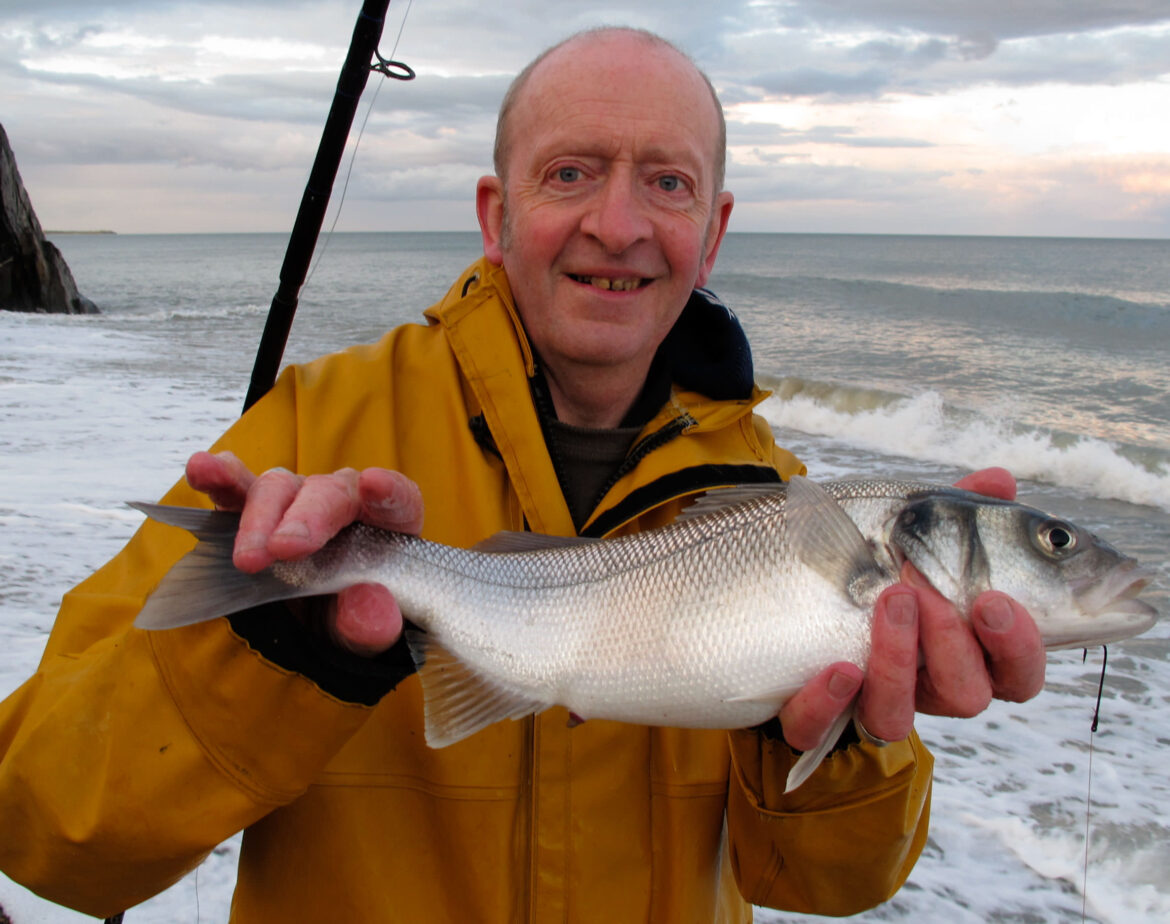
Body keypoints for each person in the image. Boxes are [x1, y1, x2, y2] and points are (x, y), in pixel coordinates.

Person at [0, 27, 1046, 922]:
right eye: (571, 173)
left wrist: (847, 732)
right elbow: (48, 831)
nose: (620, 225)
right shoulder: (316, 429)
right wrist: (273, 650)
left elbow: (832, 886)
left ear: (712, 232)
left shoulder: (779, 500)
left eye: (668, 182)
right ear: (494, 216)